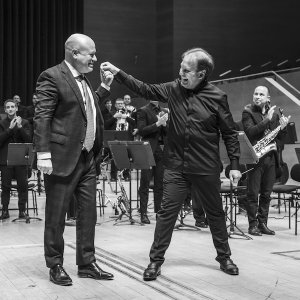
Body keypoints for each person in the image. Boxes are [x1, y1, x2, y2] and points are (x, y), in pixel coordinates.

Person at [101, 47, 242, 278]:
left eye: (186, 70)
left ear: (201, 74)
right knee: (167, 213)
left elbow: (229, 133)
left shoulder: (217, 97)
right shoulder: (174, 89)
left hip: (206, 167)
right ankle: (155, 261)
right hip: (176, 165)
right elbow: (144, 88)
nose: (181, 73)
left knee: (215, 213)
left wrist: (234, 165)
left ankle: (224, 257)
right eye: (180, 68)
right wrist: (118, 73)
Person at [34, 33, 114, 286]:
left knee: (88, 213)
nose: (95, 58)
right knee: (56, 216)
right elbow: (42, 116)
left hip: (88, 157)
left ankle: (86, 262)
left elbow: (85, 107)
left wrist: (104, 87)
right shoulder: (52, 76)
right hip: (61, 157)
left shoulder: (84, 81)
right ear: (73, 53)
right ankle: (55, 264)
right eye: (91, 53)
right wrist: (43, 153)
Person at [242, 86, 290, 236]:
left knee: (266, 194)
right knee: (253, 193)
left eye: (261, 94)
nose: (257, 96)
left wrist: (283, 128)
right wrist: (266, 120)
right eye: (255, 93)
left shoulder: (274, 115)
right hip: (255, 158)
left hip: (271, 158)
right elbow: (250, 132)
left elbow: (280, 139)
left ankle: (262, 223)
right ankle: (252, 225)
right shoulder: (248, 112)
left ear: (268, 98)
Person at [136, 100, 168, 224]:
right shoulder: (143, 110)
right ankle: (143, 213)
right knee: (145, 182)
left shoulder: (164, 111)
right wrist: (158, 123)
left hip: (161, 150)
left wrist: (165, 125)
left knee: (160, 183)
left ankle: (159, 212)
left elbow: (167, 132)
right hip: (148, 149)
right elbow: (142, 130)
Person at [0, 99, 32, 220]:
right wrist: (9, 129)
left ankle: (22, 211)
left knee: (22, 186)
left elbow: (29, 139)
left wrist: (19, 128)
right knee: (5, 186)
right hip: (5, 160)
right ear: (5, 109)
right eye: (8, 107)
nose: (10, 109)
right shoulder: (2, 123)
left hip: (20, 159)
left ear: (16, 108)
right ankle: (5, 211)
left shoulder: (24, 122)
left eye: (12, 107)